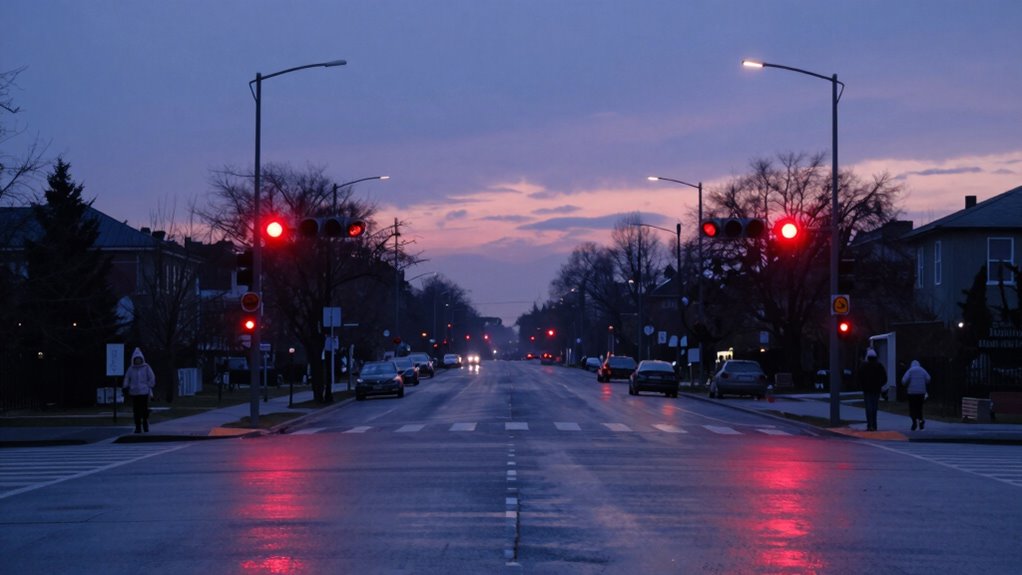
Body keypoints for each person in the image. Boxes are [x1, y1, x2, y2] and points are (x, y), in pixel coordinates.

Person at [122, 348, 156, 433]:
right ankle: (138, 427)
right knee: (136, 411)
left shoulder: (146, 367)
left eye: (139, 359)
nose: (137, 361)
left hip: (144, 392)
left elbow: (152, 377)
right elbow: (127, 377)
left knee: (144, 409)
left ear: (142, 359)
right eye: (136, 359)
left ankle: (145, 424)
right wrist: (126, 385)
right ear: (133, 360)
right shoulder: (131, 368)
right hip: (134, 392)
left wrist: (149, 385)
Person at [857, 348, 887, 431]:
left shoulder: (863, 366)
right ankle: (874, 425)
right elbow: (884, 378)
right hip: (876, 389)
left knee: (868, 408)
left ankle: (869, 425)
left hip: (867, 390)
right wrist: (879, 384)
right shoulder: (879, 366)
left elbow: (859, 377)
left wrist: (863, 385)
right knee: (874, 407)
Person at [901, 359, 931, 431]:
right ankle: (921, 421)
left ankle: (914, 421)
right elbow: (928, 379)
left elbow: (904, 381)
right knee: (919, 408)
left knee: (912, 408)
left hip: (911, 393)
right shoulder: (923, 370)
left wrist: (906, 385)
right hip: (921, 393)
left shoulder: (910, 371)